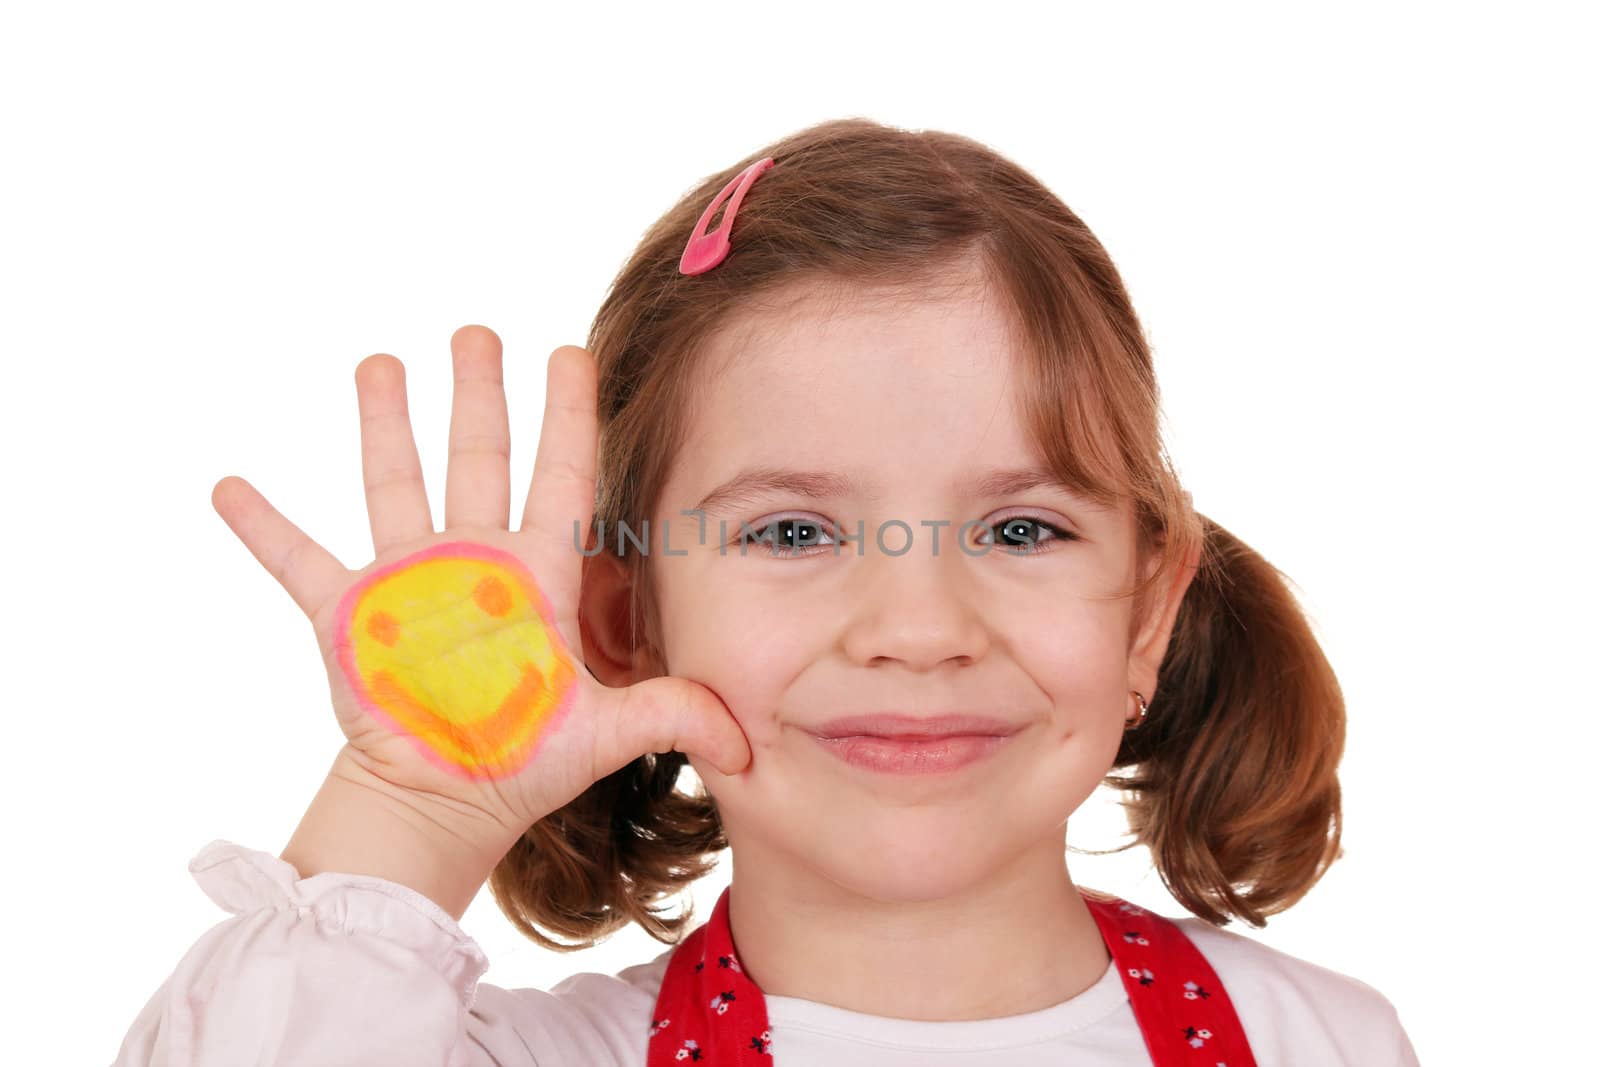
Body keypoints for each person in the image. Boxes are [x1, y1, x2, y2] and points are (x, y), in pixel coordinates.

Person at [113, 117, 1421, 1066]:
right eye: (793, 532)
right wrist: (411, 809)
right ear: (625, 623)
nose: (918, 631)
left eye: (1021, 529)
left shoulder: (1325, 1044)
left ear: (1146, 611)